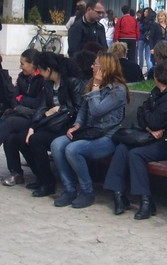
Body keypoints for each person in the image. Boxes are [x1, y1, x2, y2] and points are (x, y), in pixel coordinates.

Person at [51, 51, 128, 208]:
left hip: (107, 137)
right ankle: (69, 189)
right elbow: (84, 109)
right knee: (57, 145)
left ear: (104, 68)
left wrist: (95, 87)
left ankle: (87, 192)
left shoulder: (118, 90)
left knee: (73, 149)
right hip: (89, 132)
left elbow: (97, 110)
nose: (92, 66)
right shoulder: (93, 84)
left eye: (96, 64)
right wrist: (78, 124)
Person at [104, 61, 167, 219]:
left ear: (157, 77)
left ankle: (146, 200)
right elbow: (143, 113)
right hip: (151, 137)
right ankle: (118, 195)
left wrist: (149, 121)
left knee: (136, 154)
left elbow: (154, 120)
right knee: (122, 148)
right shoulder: (157, 92)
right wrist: (149, 126)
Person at [20, 52, 84, 197]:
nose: (39, 73)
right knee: (22, 138)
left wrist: (59, 109)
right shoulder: (48, 84)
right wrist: (32, 127)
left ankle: (48, 184)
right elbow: (42, 107)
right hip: (53, 123)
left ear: (48, 70)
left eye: (40, 70)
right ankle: (41, 177)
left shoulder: (72, 82)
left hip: (69, 126)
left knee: (37, 140)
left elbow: (80, 109)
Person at [0, 48, 45, 185]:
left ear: (32, 64)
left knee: (10, 123)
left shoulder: (41, 79)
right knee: (10, 136)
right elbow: (13, 98)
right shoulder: (21, 77)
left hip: (34, 118)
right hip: (20, 114)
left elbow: (38, 103)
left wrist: (22, 99)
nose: (20, 67)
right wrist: (22, 101)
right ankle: (16, 172)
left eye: (23, 64)